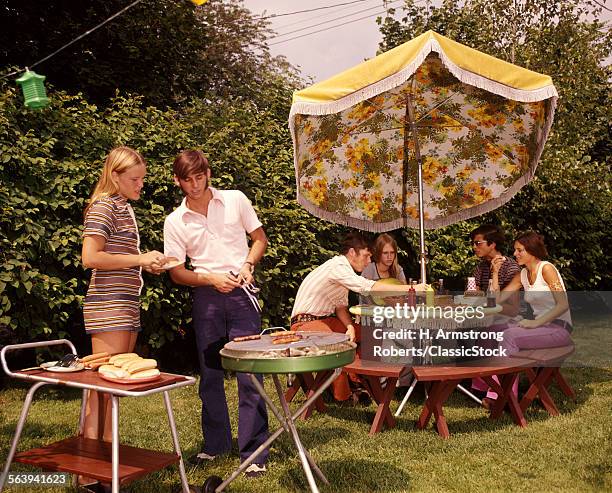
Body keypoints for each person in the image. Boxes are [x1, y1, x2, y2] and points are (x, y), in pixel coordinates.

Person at [163, 150, 269, 477]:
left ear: (208, 172)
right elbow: (176, 273)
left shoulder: (235, 199)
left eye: (199, 177)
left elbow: (259, 240)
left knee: (249, 372)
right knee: (210, 373)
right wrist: (209, 278)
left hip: (242, 293)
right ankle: (216, 444)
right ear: (177, 181)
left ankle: (254, 454)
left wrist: (248, 264)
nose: (194, 185)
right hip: (206, 295)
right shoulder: (175, 221)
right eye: (187, 180)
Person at [81, 146, 165, 490]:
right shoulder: (103, 206)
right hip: (109, 304)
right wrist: (140, 259)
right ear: (115, 176)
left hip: (125, 303)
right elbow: (91, 257)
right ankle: (88, 475)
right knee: (100, 388)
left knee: (113, 386)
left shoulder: (122, 207)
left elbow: (122, 257)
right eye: (135, 178)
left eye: (142, 178)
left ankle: (106, 469)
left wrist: (146, 262)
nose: (141, 184)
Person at [291, 232, 424, 402]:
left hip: (323, 321)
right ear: (352, 252)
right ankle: (343, 396)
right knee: (338, 343)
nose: (369, 261)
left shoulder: (343, 272)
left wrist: (350, 326)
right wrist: (411, 289)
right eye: (367, 256)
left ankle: (364, 380)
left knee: (373, 332)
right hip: (304, 324)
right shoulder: (338, 266)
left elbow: (340, 307)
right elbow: (366, 286)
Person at [495, 231, 573, 355]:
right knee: (492, 331)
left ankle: (503, 374)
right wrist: (495, 273)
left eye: (519, 250)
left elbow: (563, 305)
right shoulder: (523, 275)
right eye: (515, 250)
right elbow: (497, 300)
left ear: (532, 250)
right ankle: (484, 374)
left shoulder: (547, 269)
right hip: (540, 328)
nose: (515, 254)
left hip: (558, 328)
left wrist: (535, 322)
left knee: (509, 335)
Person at [469, 224, 521, 402]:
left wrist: (487, 304)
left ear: (492, 244)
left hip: (512, 320)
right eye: (473, 243)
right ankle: (481, 386)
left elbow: (512, 308)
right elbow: (474, 298)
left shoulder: (511, 268)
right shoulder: (480, 268)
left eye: (478, 243)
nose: (474, 247)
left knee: (494, 331)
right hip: (488, 318)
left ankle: (500, 392)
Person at [360, 233, 406, 305]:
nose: (389, 256)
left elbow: (404, 296)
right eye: (385, 253)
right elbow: (364, 299)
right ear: (378, 253)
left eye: (392, 253)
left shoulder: (398, 270)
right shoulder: (369, 270)